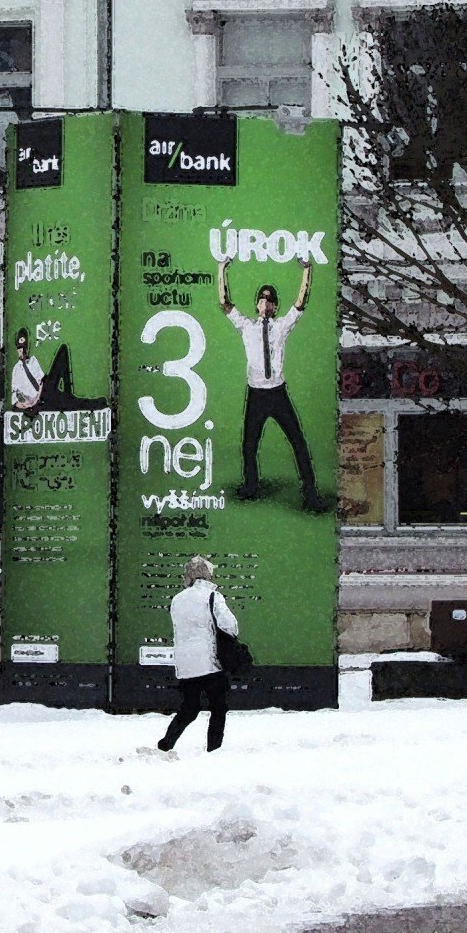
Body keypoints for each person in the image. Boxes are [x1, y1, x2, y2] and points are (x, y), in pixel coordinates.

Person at [218, 255, 325, 511]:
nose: (266, 303)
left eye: (270, 300)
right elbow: (224, 302)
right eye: (262, 299)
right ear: (257, 304)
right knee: (249, 444)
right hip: (256, 394)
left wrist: (307, 271)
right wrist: (221, 268)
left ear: (275, 307)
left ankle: (311, 494)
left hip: (278, 393)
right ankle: (250, 486)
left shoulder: (281, 327)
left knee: (298, 442)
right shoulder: (246, 327)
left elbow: (300, 303)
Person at [158, 556, 240, 753]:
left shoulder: (177, 599)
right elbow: (230, 626)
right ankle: (214, 748)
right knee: (218, 708)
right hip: (209, 662)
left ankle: (167, 742)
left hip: (185, 663)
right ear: (207, 574)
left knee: (189, 707)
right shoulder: (213, 596)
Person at [9, 328, 45, 410]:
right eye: (19, 349)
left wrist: (37, 400)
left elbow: (42, 382)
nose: (21, 352)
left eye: (23, 349)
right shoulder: (16, 369)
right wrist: (20, 404)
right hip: (26, 405)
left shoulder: (33, 361)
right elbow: (14, 391)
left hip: (39, 400)